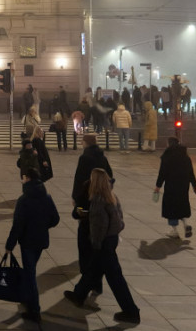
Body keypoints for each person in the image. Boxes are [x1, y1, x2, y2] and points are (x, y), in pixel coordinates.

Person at [64, 168, 140, 324]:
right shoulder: (112, 197)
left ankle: (131, 311)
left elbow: (99, 227)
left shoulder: (98, 201)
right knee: (92, 270)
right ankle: (79, 295)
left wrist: (96, 245)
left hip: (103, 243)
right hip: (111, 239)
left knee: (115, 278)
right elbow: (120, 220)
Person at [5, 167, 60, 323]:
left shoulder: (24, 200)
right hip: (41, 240)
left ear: (28, 179)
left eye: (24, 177)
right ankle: (27, 296)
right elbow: (55, 219)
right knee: (30, 270)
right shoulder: (46, 197)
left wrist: (10, 244)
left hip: (28, 241)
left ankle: (34, 309)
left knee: (30, 275)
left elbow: (18, 225)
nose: (22, 180)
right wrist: (42, 225)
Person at [71, 134, 113, 294]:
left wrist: (76, 198)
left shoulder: (85, 158)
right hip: (101, 201)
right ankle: (97, 284)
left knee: (84, 244)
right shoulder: (102, 157)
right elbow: (110, 175)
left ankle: (86, 280)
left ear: (86, 143)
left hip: (87, 201)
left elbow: (78, 179)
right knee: (96, 245)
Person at [155, 137, 196, 238]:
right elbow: (191, 173)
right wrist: (195, 186)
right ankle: (186, 224)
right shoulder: (186, 157)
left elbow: (162, 173)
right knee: (182, 204)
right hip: (183, 185)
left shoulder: (167, 156)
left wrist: (158, 186)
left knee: (171, 207)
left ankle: (174, 230)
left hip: (171, 185)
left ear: (169, 144)